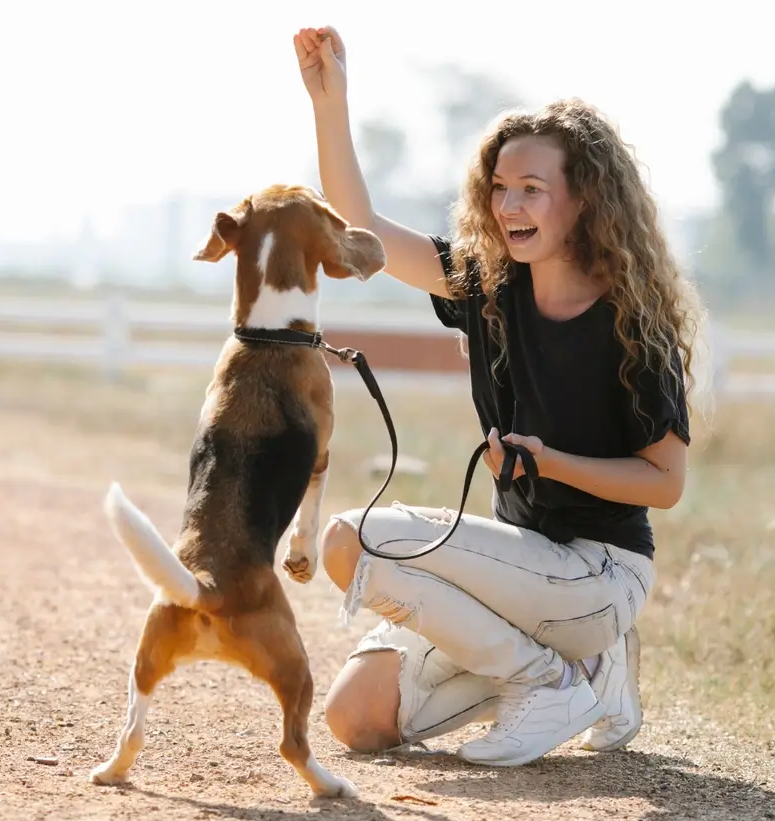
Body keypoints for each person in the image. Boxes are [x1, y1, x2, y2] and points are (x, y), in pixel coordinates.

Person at [293, 25, 705, 768]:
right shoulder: (487, 287)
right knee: (356, 719)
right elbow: (363, 230)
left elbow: (666, 483)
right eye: (500, 187)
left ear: (583, 202)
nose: (510, 204)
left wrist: (551, 462)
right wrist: (331, 103)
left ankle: (549, 678)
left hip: (599, 572)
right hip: (520, 573)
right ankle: (590, 677)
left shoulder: (632, 322)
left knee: (349, 539)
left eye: (533, 189)